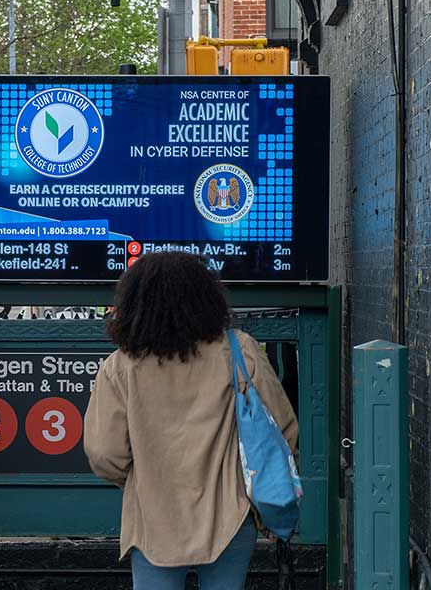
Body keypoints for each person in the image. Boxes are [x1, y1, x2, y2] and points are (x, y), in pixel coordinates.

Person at [84, 251, 299, 590]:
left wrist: (142, 479)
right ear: (206, 297)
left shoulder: (119, 366)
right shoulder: (239, 351)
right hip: (230, 518)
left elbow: (104, 454)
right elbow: (281, 430)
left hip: (153, 521)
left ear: (135, 301)